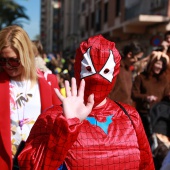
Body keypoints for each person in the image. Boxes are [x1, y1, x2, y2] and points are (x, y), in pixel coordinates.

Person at [18, 34, 154, 169]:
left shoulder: (130, 116)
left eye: (105, 71)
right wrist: (67, 125)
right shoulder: (52, 117)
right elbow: (31, 166)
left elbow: (147, 164)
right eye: (89, 69)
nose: (96, 78)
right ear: (78, 69)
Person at [0, 25, 61, 170]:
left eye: (14, 60)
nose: (8, 65)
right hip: (6, 162)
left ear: (26, 55)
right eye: (2, 60)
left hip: (39, 161)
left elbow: (59, 123)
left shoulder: (48, 81)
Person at [131, 51, 170, 141]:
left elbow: (166, 96)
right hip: (143, 114)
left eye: (162, 65)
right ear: (152, 63)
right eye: (158, 63)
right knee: (142, 140)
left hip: (159, 116)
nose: (159, 67)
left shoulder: (165, 80)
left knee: (157, 142)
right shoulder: (140, 77)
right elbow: (134, 94)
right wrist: (146, 98)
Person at [109, 41, 144, 105]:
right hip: (112, 108)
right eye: (137, 58)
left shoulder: (128, 70)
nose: (137, 61)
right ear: (129, 55)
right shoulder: (115, 67)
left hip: (124, 109)